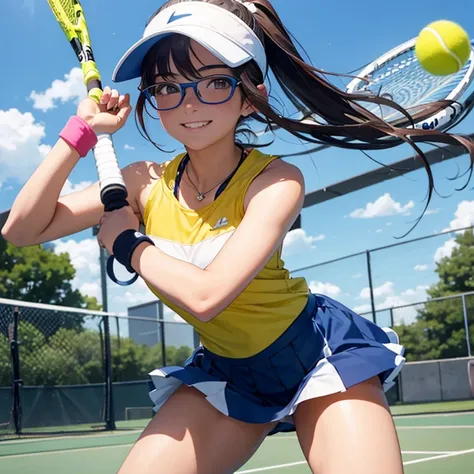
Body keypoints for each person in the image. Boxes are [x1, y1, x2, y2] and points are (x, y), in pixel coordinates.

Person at [3, 1, 474, 473]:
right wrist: (82, 131)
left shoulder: (277, 180)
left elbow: (209, 296)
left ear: (249, 96)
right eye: (168, 87)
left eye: (214, 82)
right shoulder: (142, 181)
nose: (189, 103)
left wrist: (127, 244)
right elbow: (21, 229)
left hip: (315, 356)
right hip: (227, 372)